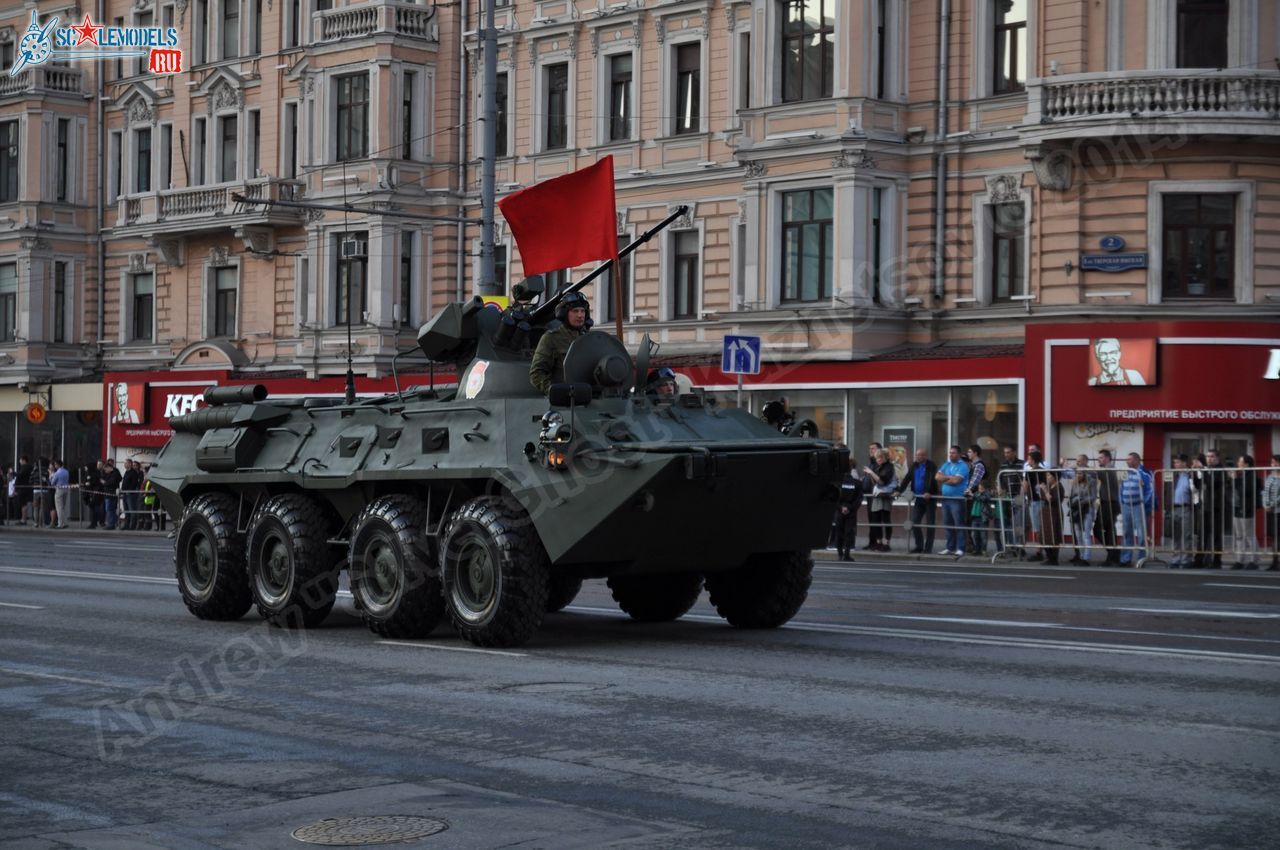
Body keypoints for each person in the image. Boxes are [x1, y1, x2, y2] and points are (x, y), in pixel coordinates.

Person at [529, 291, 591, 395]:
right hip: (565, 402)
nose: (580, 315)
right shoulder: (551, 338)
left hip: (591, 398)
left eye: (582, 311)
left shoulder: (590, 339)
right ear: (564, 314)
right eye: (575, 311)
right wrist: (555, 391)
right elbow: (536, 374)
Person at [898, 447, 938, 554]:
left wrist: (928, 491)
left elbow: (932, 480)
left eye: (920, 455)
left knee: (930, 524)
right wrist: (899, 491)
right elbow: (907, 479)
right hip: (918, 499)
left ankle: (928, 548)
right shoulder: (914, 465)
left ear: (925, 456)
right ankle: (919, 546)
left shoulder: (931, 465)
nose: (918, 457)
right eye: (917, 455)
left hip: (929, 498)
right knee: (914, 522)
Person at [1118, 452, 1154, 566]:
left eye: (1129, 459)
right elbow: (1121, 487)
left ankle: (1141, 558)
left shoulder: (1144, 473)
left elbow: (1150, 490)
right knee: (1127, 532)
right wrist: (1122, 501)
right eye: (1127, 459)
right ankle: (1125, 559)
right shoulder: (1125, 473)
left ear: (1137, 460)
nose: (1127, 461)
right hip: (1126, 505)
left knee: (1142, 534)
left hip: (1139, 506)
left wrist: (1144, 502)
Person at [1063, 454, 1098, 565]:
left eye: (1080, 472)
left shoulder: (1091, 481)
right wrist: (1072, 501)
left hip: (1086, 510)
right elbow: (1071, 495)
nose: (1078, 474)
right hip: (1076, 511)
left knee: (1085, 534)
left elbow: (1093, 497)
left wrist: (1080, 500)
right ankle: (1081, 556)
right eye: (1077, 473)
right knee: (1078, 534)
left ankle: (1086, 557)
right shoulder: (1075, 482)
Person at [935, 445, 969, 556]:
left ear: (959, 454)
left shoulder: (963, 466)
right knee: (948, 524)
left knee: (959, 524)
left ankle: (961, 548)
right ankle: (950, 547)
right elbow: (937, 477)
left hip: (957, 499)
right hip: (946, 499)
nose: (951, 455)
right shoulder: (946, 464)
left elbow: (956, 481)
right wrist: (950, 478)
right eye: (950, 453)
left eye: (953, 453)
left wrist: (944, 479)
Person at [1201, 448, 1231, 569]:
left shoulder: (1220, 470)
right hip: (1207, 505)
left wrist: (1205, 471)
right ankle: (1206, 559)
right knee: (1206, 534)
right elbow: (1199, 484)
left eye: (1212, 456)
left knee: (1217, 535)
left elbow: (1212, 483)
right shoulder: (1207, 469)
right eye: (1208, 456)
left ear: (1218, 458)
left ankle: (1217, 560)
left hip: (1218, 506)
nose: (1209, 459)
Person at [1230, 455, 1262, 570]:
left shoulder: (1251, 475)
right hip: (1237, 508)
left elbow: (1245, 491)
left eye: (1240, 462)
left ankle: (1254, 560)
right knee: (1239, 536)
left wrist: (1235, 480)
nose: (1238, 464)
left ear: (1247, 464)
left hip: (1246, 508)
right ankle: (1240, 560)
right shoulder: (1242, 475)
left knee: (1249, 535)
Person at [862, 448, 897, 552]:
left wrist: (871, 472)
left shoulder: (889, 467)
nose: (878, 459)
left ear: (886, 457)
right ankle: (879, 542)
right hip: (877, 495)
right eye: (877, 458)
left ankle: (886, 543)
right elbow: (875, 482)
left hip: (885, 495)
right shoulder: (879, 467)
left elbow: (882, 481)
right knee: (876, 519)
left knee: (885, 519)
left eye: (880, 457)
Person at [1169, 454, 1200, 569]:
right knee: (1176, 535)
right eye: (1174, 462)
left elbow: (1195, 490)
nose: (1175, 465)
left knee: (1186, 535)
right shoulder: (1174, 475)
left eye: (1177, 462)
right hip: (1175, 507)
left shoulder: (1190, 474)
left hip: (1186, 507)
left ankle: (1186, 559)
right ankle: (1175, 558)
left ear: (1184, 463)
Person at [1094, 449, 1122, 566]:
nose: (1098, 460)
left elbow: (1094, 473)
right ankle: (1112, 555)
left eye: (1100, 458)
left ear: (1107, 458)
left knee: (1098, 529)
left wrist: (1079, 467)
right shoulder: (1108, 469)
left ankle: (1113, 553)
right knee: (1110, 531)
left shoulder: (1108, 469)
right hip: (1108, 503)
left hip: (1109, 503)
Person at [997, 445, 1024, 554]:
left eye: (1008, 452)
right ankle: (1011, 546)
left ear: (1014, 453)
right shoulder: (1003, 465)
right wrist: (1000, 490)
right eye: (1005, 452)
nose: (1006, 454)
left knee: (1018, 523)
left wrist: (1021, 495)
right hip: (1006, 497)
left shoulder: (1021, 464)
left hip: (1017, 496)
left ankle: (1019, 547)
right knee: (1007, 523)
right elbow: (999, 479)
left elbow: (1024, 480)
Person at [834, 459, 863, 561]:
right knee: (849, 533)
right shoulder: (857, 483)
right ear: (851, 470)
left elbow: (833, 498)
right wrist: (850, 508)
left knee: (839, 532)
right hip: (851, 512)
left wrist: (841, 507)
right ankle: (846, 554)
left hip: (839, 511)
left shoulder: (838, 483)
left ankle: (839, 554)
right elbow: (859, 499)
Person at [1022, 449, 1048, 561]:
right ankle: (1042, 549)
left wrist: (1023, 495)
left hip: (1034, 501)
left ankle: (1039, 551)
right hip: (1042, 500)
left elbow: (1025, 486)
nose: (1028, 461)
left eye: (1029, 459)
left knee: (1037, 528)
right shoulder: (1044, 471)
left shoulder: (1030, 472)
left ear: (1033, 460)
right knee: (1041, 526)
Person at [1036, 470, 1064, 565]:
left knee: (1054, 535)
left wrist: (1044, 490)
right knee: (1045, 535)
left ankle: (1054, 559)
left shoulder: (1059, 487)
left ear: (1054, 477)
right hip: (1046, 512)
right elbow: (1042, 497)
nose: (1047, 477)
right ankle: (1049, 557)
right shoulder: (1049, 486)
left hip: (1054, 512)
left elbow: (1052, 499)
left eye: (1049, 475)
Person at [963, 445, 987, 555]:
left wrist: (966, 491)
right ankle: (975, 547)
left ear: (976, 453)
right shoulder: (972, 465)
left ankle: (981, 549)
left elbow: (975, 481)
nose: (968, 454)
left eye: (970, 451)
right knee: (970, 521)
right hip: (972, 497)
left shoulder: (979, 465)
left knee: (977, 523)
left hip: (976, 498)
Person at [860, 442, 883, 550]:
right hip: (869, 495)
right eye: (870, 448)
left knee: (876, 520)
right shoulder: (871, 463)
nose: (871, 450)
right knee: (871, 520)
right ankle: (872, 542)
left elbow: (880, 479)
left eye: (873, 448)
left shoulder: (880, 463)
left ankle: (878, 543)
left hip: (877, 496)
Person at [968, 480, 994, 555]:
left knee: (983, 535)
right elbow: (972, 497)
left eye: (982, 489)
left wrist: (973, 495)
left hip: (983, 517)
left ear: (985, 489)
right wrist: (968, 493)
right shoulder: (976, 493)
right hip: (975, 517)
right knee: (974, 534)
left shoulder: (987, 494)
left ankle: (983, 550)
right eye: (979, 488)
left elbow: (984, 498)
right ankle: (977, 549)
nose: (980, 490)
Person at [1264, 455, 1280, 571]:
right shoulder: (1270, 476)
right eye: (1272, 462)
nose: (1273, 465)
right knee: (1273, 536)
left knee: (1278, 537)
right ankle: (1275, 561)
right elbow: (1265, 492)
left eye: (1275, 463)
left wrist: (1273, 504)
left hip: (1278, 510)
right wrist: (1266, 504)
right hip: (1271, 511)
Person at [121, 459, 144, 530]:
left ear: (129, 464)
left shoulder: (133, 473)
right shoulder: (126, 472)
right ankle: (126, 525)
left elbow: (134, 484)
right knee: (126, 511)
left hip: (130, 495)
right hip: (125, 494)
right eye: (124, 463)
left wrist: (129, 491)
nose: (124, 464)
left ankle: (132, 526)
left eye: (126, 463)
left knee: (132, 510)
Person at [102, 458, 122, 530]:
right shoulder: (110, 473)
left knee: (109, 509)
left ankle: (111, 524)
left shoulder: (115, 473)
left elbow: (111, 482)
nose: (105, 471)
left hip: (111, 494)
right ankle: (114, 522)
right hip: (108, 493)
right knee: (111, 509)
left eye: (106, 469)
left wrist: (105, 483)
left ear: (110, 468)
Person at [49, 459, 70, 529]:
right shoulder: (66, 471)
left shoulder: (57, 473)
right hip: (66, 489)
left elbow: (52, 482)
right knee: (63, 507)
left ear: (57, 465)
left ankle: (61, 524)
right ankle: (65, 522)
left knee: (59, 508)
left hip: (59, 489)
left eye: (55, 464)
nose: (54, 466)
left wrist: (51, 476)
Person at [15, 455, 33, 525]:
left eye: (20, 460)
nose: (19, 461)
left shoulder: (24, 468)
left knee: (23, 504)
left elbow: (19, 476)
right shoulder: (31, 467)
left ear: (24, 460)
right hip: (29, 487)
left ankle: (23, 519)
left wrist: (16, 488)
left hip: (23, 488)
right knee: (29, 503)